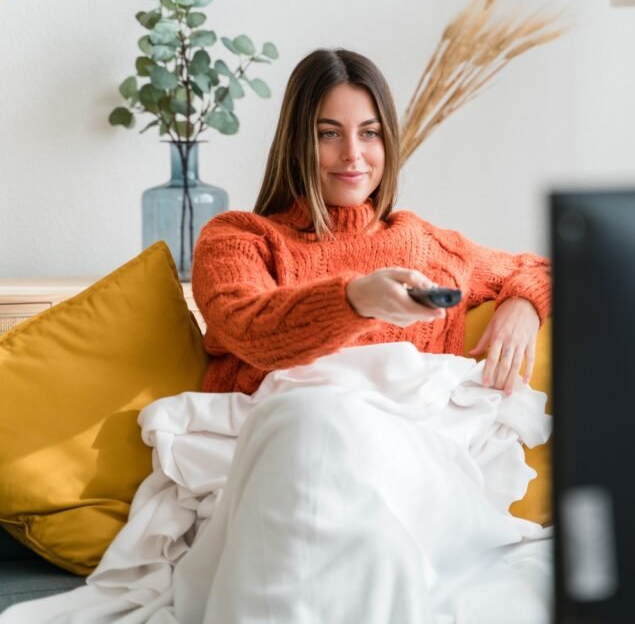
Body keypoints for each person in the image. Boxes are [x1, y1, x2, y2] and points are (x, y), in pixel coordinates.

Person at [180, 48, 553, 622]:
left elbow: (544, 267)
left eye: (370, 133)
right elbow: (249, 328)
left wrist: (524, 305)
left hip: (411, 468)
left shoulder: (427, 246)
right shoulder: (239, 239)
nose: (353, 155)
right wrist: (354, 300)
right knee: (311, 420)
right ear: (296, 141)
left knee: (326, 440)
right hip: (288, 457)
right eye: (329, 134)